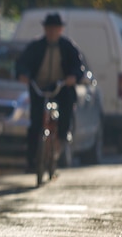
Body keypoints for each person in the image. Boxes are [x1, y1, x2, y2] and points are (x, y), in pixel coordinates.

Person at [15, 12, 85, 173]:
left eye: (55, 29)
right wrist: (23, 74)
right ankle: (32, 160)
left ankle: (62, 137)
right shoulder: (36, 46)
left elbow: (78, 66)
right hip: (39, 86)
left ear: (60, 30)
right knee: (35, 122)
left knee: (67, 104)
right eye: (49, 28)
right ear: (45, 29)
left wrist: (73, 77)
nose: (52, 32)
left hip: (60, 86)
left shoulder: (68, 46)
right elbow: (22, 63)